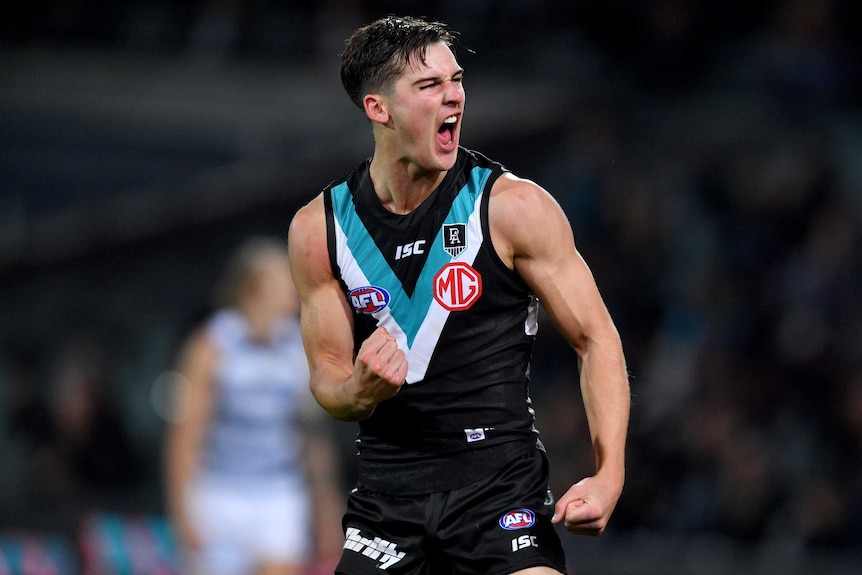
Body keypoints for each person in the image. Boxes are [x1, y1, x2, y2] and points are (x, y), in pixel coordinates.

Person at [287, 15, 630, 575]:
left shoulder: (513, 208)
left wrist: (609, 471)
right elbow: (327, 379)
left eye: (457, 79)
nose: (455, 97)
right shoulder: (319, 230)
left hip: (498, 493)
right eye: (429, 86)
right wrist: (357, 389)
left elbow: (597, 338)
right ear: (380, 109)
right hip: (387, 505)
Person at [165, 236, 344, 575]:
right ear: (256, 285)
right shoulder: (211, 347)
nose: (296, 286)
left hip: (279, 493)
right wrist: (182, 511)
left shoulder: (297, 348)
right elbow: (186, 434)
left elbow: (310, 433)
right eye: (285, 278)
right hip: (219, 493)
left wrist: (326, 504)